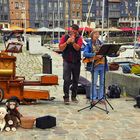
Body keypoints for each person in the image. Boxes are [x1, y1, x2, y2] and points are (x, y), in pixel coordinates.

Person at [59, 24, 83, 105]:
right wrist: (67, 42)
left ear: (77, 31)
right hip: (67, 61)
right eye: (72, 30)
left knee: (76, 80)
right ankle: (66, 97)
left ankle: (73, 96)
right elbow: (61, 48)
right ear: (70, 30)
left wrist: (73, 43)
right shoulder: (64, 37)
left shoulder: (79, 38)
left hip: (76, 62)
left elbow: (78, 48)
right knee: (66, 80)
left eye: (75, 31)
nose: (73, 32)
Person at [83, 30, 106, 104]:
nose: (97, 35)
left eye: (98, 34)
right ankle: (93, 98)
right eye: (95, 34)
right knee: (94, 83)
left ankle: (101, 98)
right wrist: (94, 55)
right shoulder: (89, 44)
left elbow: (106, 52)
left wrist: (115, 53)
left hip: (103, 64)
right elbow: (85, 53)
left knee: (102, 83)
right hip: (95, 65)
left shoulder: (101, 44)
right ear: (92, 35)